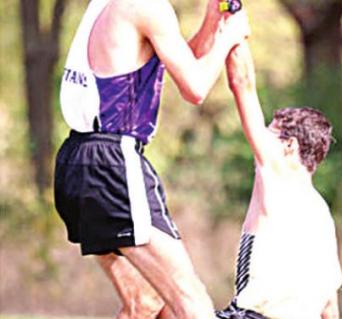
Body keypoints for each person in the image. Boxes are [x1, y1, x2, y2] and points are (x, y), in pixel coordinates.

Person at [54, 0, 250, 318]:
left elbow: (177, 62)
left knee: (146, 303)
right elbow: (196, 88)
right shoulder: (148, 6)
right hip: (113, 163)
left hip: (77, 161)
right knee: (193, 303)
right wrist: (231, 36)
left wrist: (212, 24)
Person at [215, 41, 342, 319]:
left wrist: (231, 22)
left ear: (290, 146)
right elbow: (330, 309)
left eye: (269, 133)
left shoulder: (279, 176)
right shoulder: (322, 215)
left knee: (167, 298)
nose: (258, 138)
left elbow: (243, 83)